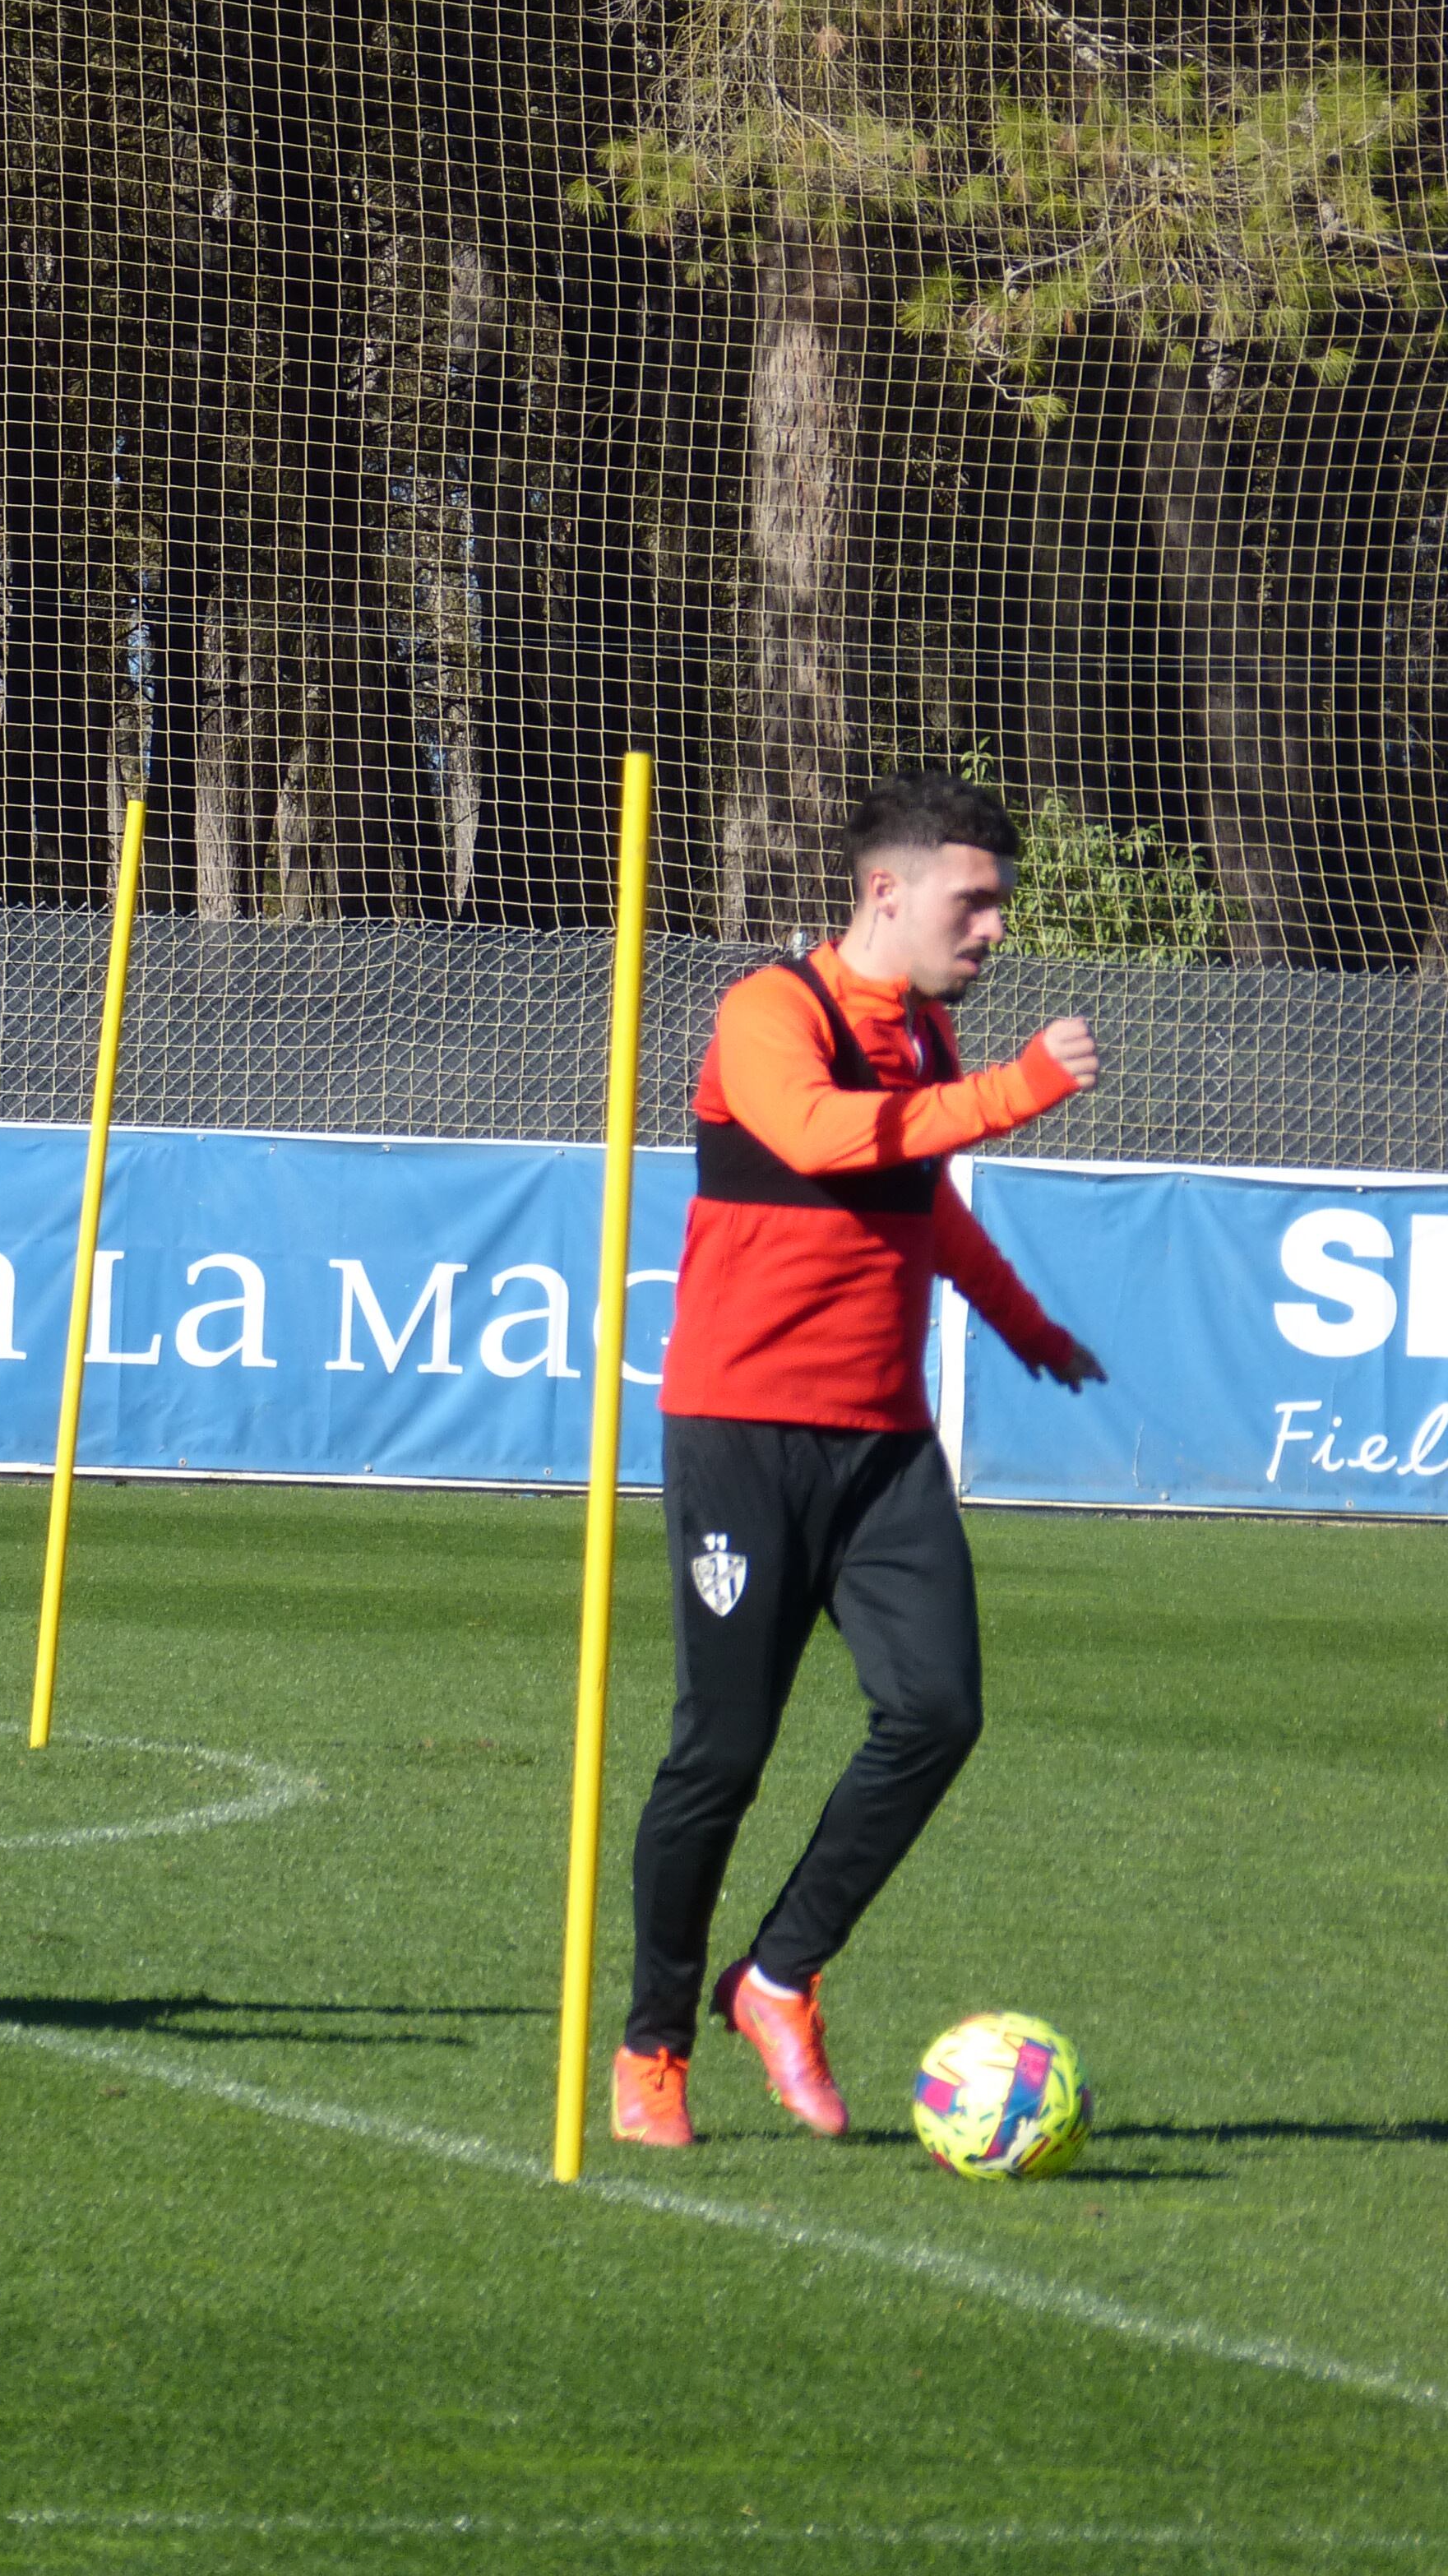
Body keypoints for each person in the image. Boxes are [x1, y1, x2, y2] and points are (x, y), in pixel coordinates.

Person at [612, 772, 1107, 2148]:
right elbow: (829, 1141)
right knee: (723, 1750)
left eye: (999, 903)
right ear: (886, 892)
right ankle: (653, 2045)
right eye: (978, 900)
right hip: (741, 1438)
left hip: (884, 1445)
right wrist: (1021, 1092)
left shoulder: (934, 1040)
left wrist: (1026, 1327)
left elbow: (922, 1207)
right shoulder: (772, 1012)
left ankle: (776, 1978)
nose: (996, 928)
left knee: (938, 1712)